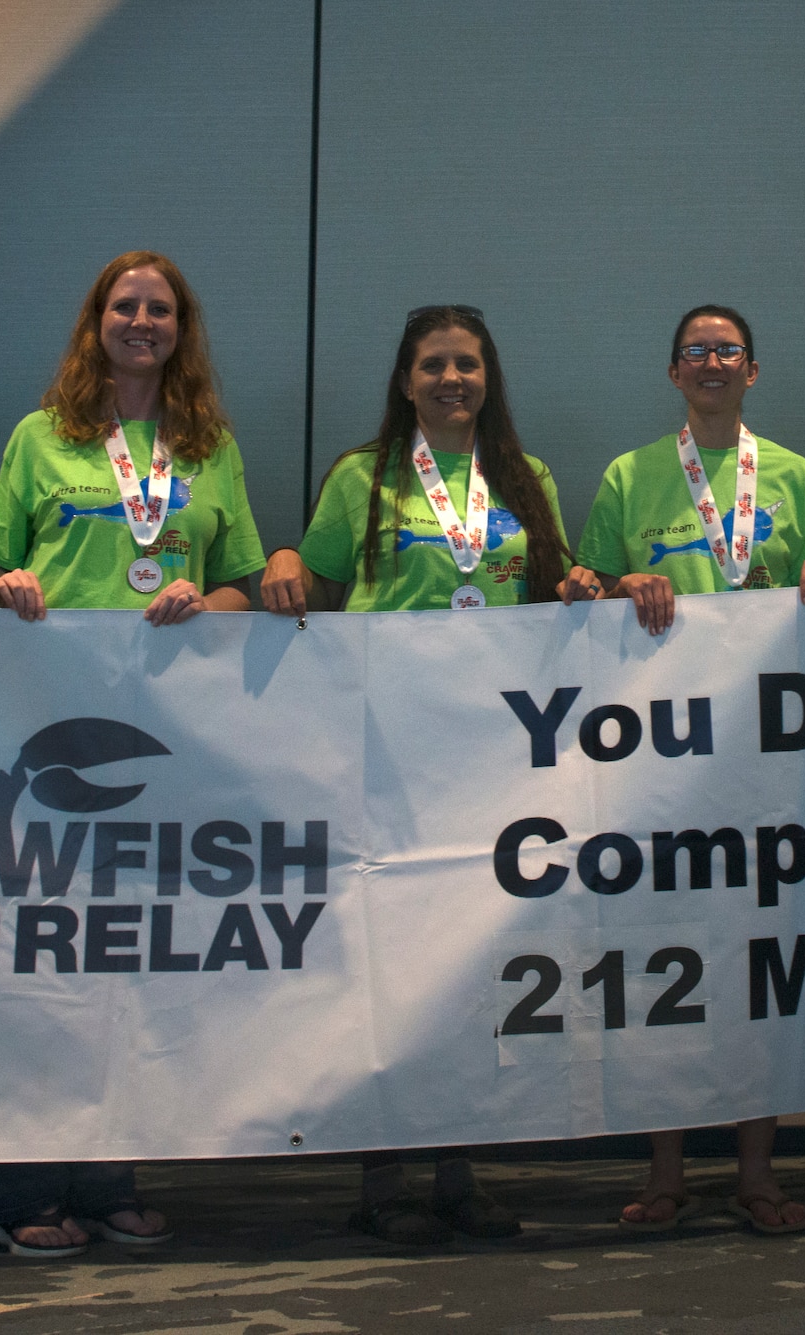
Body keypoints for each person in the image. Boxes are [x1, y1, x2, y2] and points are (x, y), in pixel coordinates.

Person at [0, 250, 265, 1256]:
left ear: (182, 329)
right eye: (126, 305)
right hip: (46, 733)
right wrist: (3, 584)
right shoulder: (38, 439)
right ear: (95, 319)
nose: (143, 321)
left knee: (127, 962)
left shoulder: (208, 445)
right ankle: (22, 1189)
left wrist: (205, 599)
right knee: (40, 956)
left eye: (162, 309)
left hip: (160, 744)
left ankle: (106, 1175)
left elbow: (238, 584)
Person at [262, 304, 570, 1244]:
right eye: (433, 364)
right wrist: (278, 557)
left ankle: (459, 1170)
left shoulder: (528, 477)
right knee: (384, 967)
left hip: (493, 760)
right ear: (405, 380)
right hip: (386, 758)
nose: (451, 379)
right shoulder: (364, 476)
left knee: (475, 965)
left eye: (467, 364)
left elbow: (555, 591)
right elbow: (311, 584)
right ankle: (382, 1179)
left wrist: (592, 585)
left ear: (489, 377)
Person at [557, 304, 805, 1232]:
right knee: (663, 954)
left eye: (727, 351)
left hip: (768, 759)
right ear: (673, 372)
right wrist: (621, 584)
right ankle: (665, 1171)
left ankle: (759, 1172)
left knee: (758, 957)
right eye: (694, 352)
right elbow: (586, 592)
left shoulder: (793, 474)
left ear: (752, 371)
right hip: (659, 763)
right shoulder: (631, 476)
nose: (711, 363)